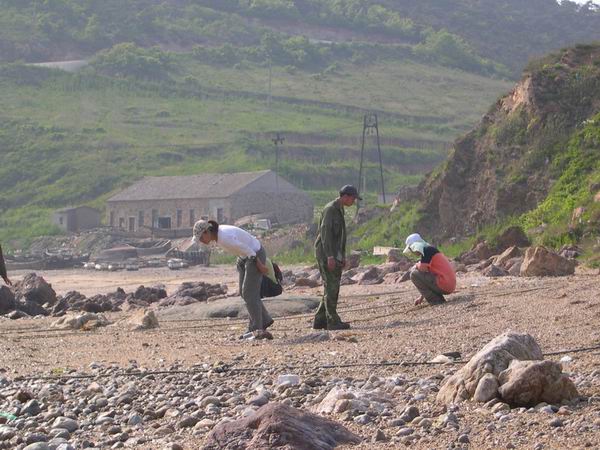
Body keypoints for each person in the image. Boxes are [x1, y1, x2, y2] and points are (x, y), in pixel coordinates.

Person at [192, 220, 273, 338]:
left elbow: (249, 251)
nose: (201, 241)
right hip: (244, 257)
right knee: (244, 292)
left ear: (207, 232)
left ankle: (257, 328)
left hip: (255, 255)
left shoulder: (224, 237)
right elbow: (241, 249)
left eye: (201, 238)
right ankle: (264, 319)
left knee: (249, 293)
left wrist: (260, 265)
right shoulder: (219, 235)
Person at [313, 185, 361, 330]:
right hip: (326, 253)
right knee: (332, 287)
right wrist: (330, 256)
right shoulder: (330, 209)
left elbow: (340, 237)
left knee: (331, 286)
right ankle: (332, 321)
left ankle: (320, 320)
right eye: (353, 198)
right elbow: (326, 234)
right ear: (345, 196)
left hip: (334, 253)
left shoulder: (339, 209)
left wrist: (342, 256)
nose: (354, 201)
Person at [403, 233, 456, 306]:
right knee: (416, 272)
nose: (412, 251)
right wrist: (421, 297)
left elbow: (422, 269)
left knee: (414, 274)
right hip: (449, 284)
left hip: (444, 284)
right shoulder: (429, 249)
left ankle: (435, 300)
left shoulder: (426, 250)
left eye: (411, 249)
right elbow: (427, 278)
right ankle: (437, 298)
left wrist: (416, 265)